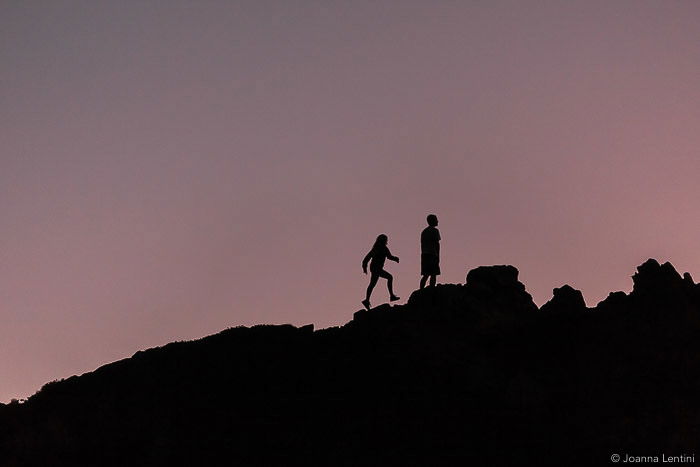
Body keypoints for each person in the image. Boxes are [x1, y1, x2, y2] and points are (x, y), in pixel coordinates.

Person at [361, 234, 400, 309]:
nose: (386, 241)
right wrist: (395, 258)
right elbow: (389, 257)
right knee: (389, 278)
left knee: (372, 284)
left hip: (375, 268)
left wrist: (365, 267)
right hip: (376, 268)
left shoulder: (376, 248)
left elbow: (366, 259)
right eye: (385, 240)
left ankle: (367, 300)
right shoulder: (381, 248)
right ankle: (391, 296)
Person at [420, 214, 441, 289]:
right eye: (436, 219)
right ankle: (432, 289)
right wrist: (438, 256)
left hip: (424, 254)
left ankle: (421, 290)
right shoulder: (435, 231)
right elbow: (436, 244)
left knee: (426, 274)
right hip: (432, 254)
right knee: (433, 273)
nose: (437, 221)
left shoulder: (424, 232)